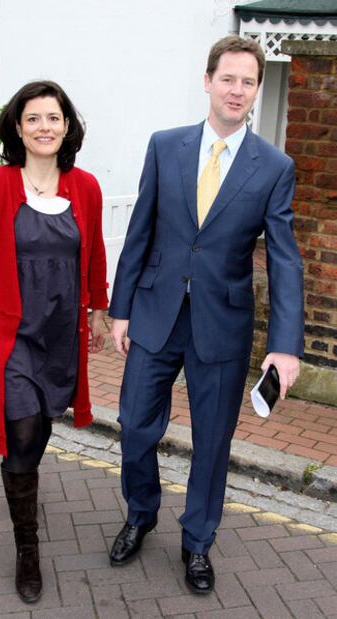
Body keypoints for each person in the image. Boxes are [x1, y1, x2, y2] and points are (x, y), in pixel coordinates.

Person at [108, 35, 304, 594]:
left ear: (257, 90)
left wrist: (285, 345)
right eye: (228, 78)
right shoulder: (164, 146)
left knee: (213, 441)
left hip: (222, 324)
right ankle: (141, 512)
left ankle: (198, 541)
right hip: (154, 314)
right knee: (134, 427)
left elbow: (286, 263)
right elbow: (140, 231)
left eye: (248, 82)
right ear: (207, 81)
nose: (237, 90)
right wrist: (121, 310)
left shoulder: (274, 166)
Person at [0, 81, 108, 603]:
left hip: (61, 334)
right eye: (33, 118)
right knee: (21, 432)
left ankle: (21, 478)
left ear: (67, 127)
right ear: (18, 127)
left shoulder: (85, 187)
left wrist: (99, 310)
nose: (44, 127)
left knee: (39, 429)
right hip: (8, 334)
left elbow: (96, 252)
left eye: (53, 118)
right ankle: (28, 554)